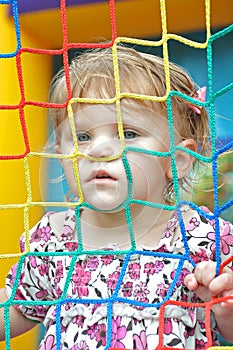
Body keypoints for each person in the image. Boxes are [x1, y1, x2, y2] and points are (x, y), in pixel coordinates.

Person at [1, 45, 233, 350]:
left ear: (177, 159)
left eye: (128, 133)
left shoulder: (202, 238)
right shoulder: (55, 239)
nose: (97, 150)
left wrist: (224, 305)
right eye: (82, 136)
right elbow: (16, 310)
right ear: (61, 155)